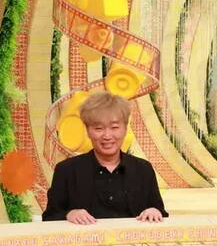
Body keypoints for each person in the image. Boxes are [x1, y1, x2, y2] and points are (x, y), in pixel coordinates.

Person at [43, 92, 168, 224]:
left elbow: (161, 213)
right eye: (99, 128)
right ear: (87, 130)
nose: (107, 136)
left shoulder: (143, 169)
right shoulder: (66, 170)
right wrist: (69, 214)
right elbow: (50, 216)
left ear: (125, 129)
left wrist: (155, 211)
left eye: (114, 127)